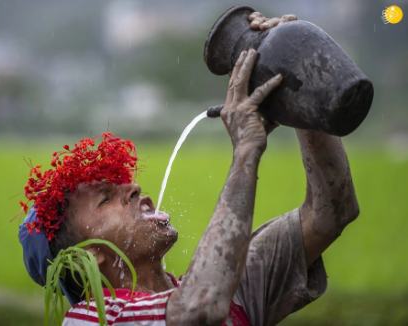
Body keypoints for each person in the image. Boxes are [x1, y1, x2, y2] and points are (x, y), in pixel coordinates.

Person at [19, 12, 360, 326]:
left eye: (122, 185)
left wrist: (294, 74)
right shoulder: (90, 318)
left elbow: (331, 211)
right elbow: (200, 308)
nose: (135, 189)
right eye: (106, 199)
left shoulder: (231, 287)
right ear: (92, 257)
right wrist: (245, 151)